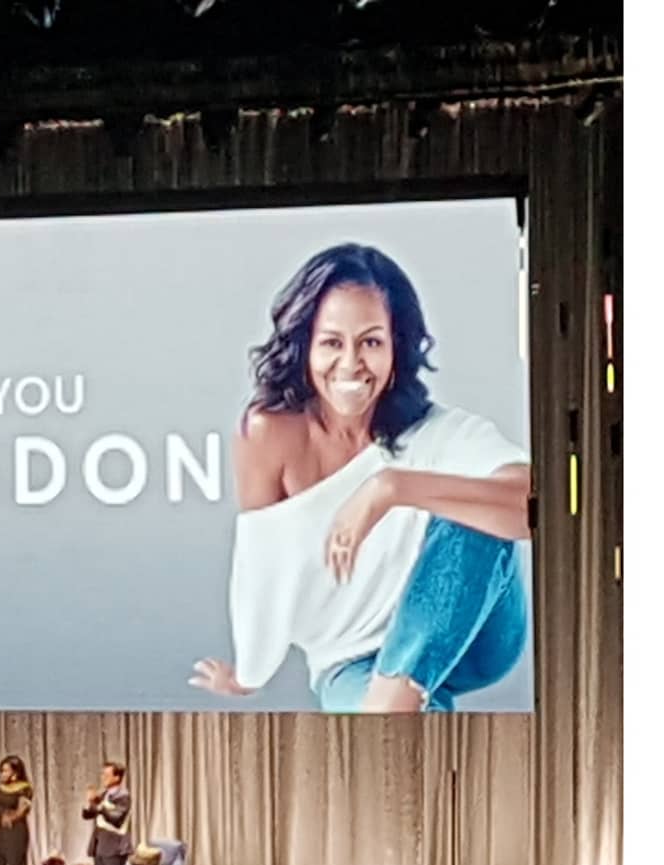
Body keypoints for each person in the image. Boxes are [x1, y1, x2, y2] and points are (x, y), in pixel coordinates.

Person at [189, 243, 530, 713]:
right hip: (350, 662)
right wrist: (250, 671)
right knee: (407, 741)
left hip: (475, 640)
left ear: (397, 348)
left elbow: (536, 507)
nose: (350, 364)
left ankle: (396, 697)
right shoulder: (269, 432)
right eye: (332, 343)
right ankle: (403, 704)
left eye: (370, 342)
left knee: (472, 504)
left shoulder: (438, 432)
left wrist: (391, 488)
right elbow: (260, 567)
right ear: (304, 345)